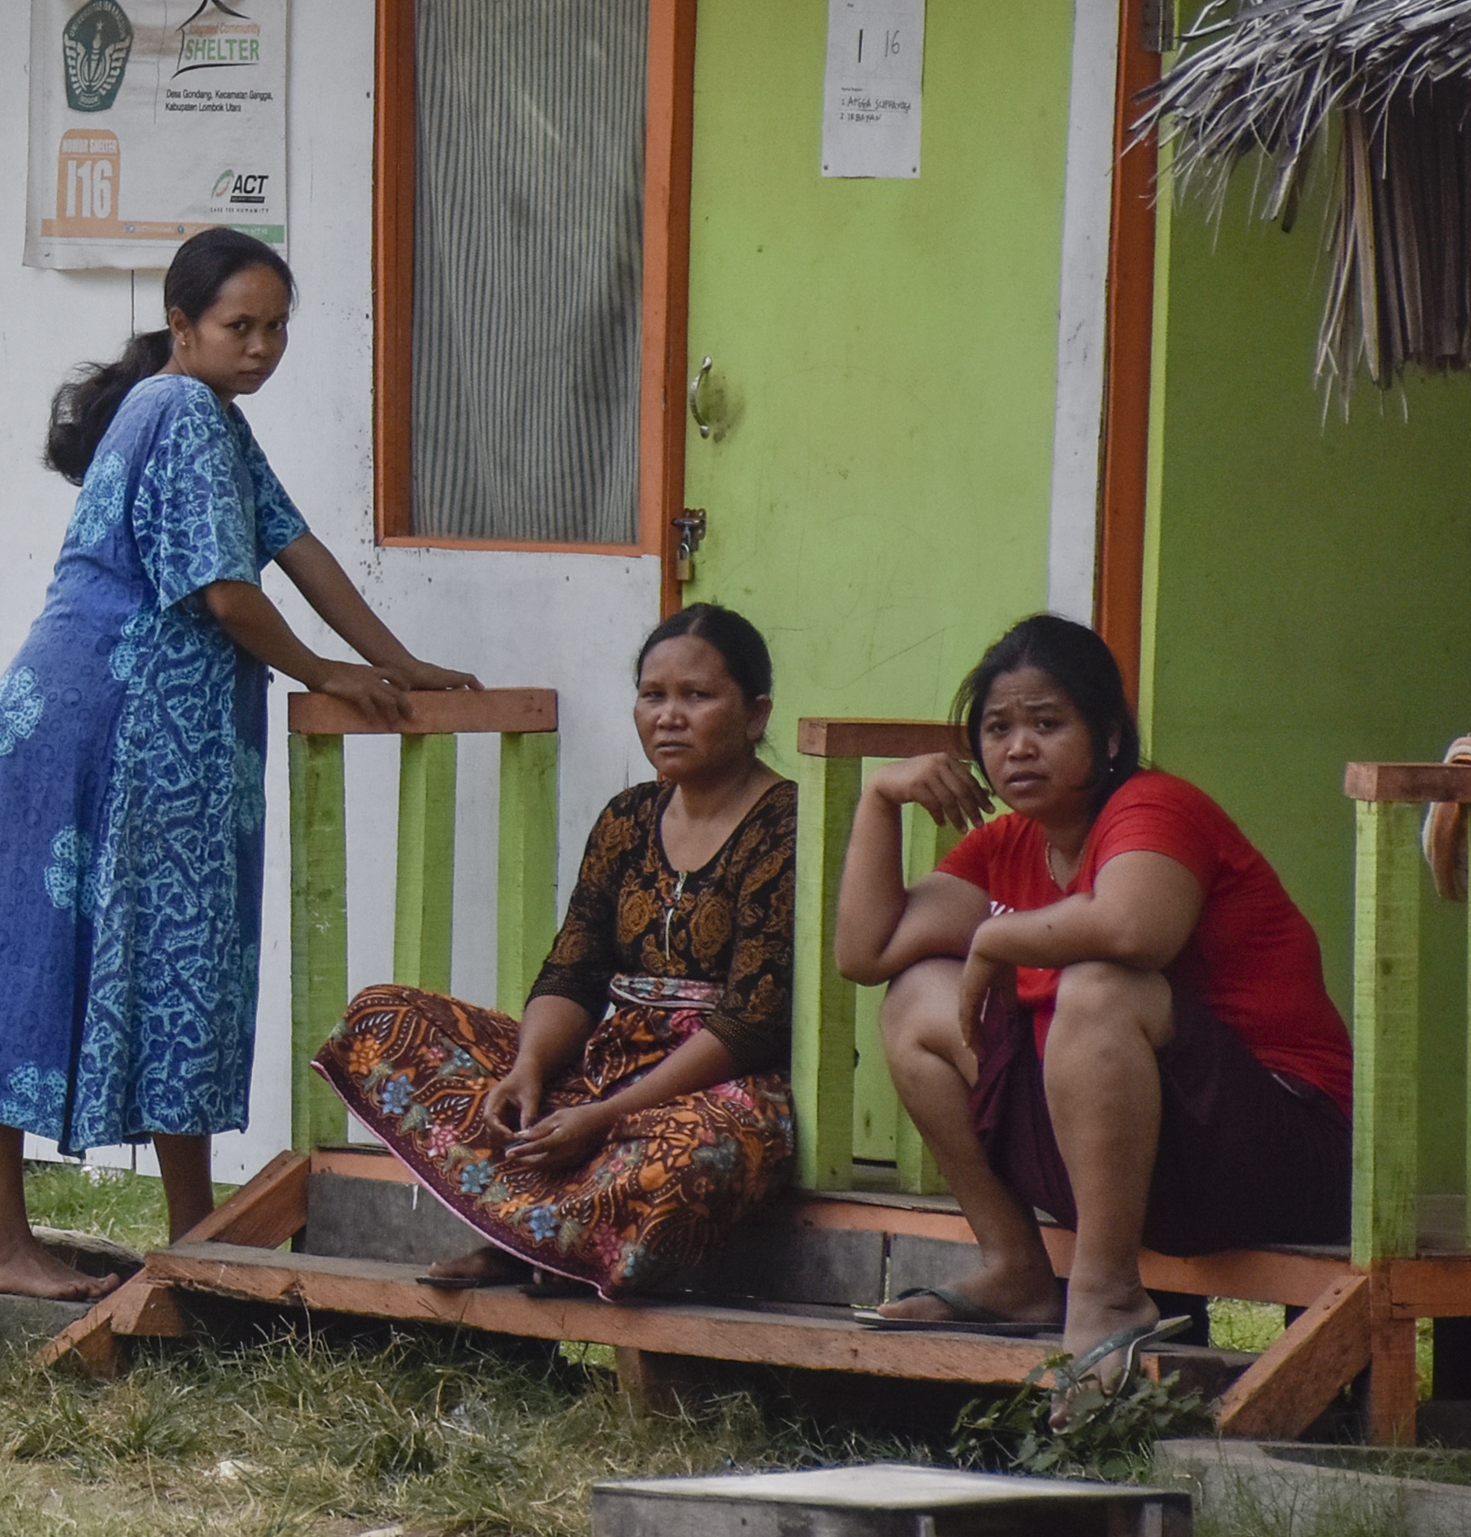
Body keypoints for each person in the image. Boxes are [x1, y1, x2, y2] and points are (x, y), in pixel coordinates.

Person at [0, 226, 478, 1299]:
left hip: (155, 744)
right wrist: (326, 670)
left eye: (275, 329)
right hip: (84, 729)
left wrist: (395, 660)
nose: (260, 347)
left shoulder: (211, 418)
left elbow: (296, 547)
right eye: (238, 326)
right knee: (23, 967)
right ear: (182, 327)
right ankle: (1, 1247)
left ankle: (195, 1229)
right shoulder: (175, 410)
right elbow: (224, 592)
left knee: (182, 969)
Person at [835, 613, 1353, 1412]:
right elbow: (866, 952)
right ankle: (1016, 1269)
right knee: (915, 998)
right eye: (998, 729)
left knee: (1102, 985)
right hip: (1134, 1156)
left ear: (1109, 735)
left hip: (1276, 1150)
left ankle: (1107, 1294)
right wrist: (879, 796)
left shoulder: (1156, 806)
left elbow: (1133, 928)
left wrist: (998, 937)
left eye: (1048, 723)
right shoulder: (1008, 843)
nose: (1019, 748)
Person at [315, 605, 799, 1299]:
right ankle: (540, 1232)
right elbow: (574, 969)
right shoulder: (628, 817)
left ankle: (529, 1236)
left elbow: (751, 1023)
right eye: (652, 695)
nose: (669, 715)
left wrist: (607, 1118)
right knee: (381, 1017)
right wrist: (529, 1071)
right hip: (600, 1068)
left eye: (697, 695)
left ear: (755, 715)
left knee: (697, 1156)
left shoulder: (783, 825)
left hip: (713, 1089)